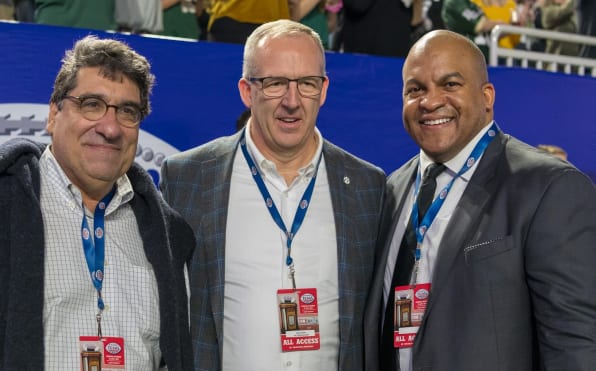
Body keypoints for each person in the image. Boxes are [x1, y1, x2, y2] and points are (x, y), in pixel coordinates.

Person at [0, 35, 194, 370]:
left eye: (128, 111)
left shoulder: (163, 233)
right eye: (92, 104)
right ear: (54, 114)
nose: (110, 127)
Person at [160, 19, 387, 370]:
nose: (292, 101)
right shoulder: (188, 177)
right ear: (247, 91)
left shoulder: (366, 186)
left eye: (307, 84)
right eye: (276, 83)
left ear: (324, 90)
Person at [364, 29, 596, 371]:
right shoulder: (391, 188)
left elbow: (574, 339)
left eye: (450, 84)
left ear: (487, 96)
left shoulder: (549, 187)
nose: (430, 101)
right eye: (415, 89)